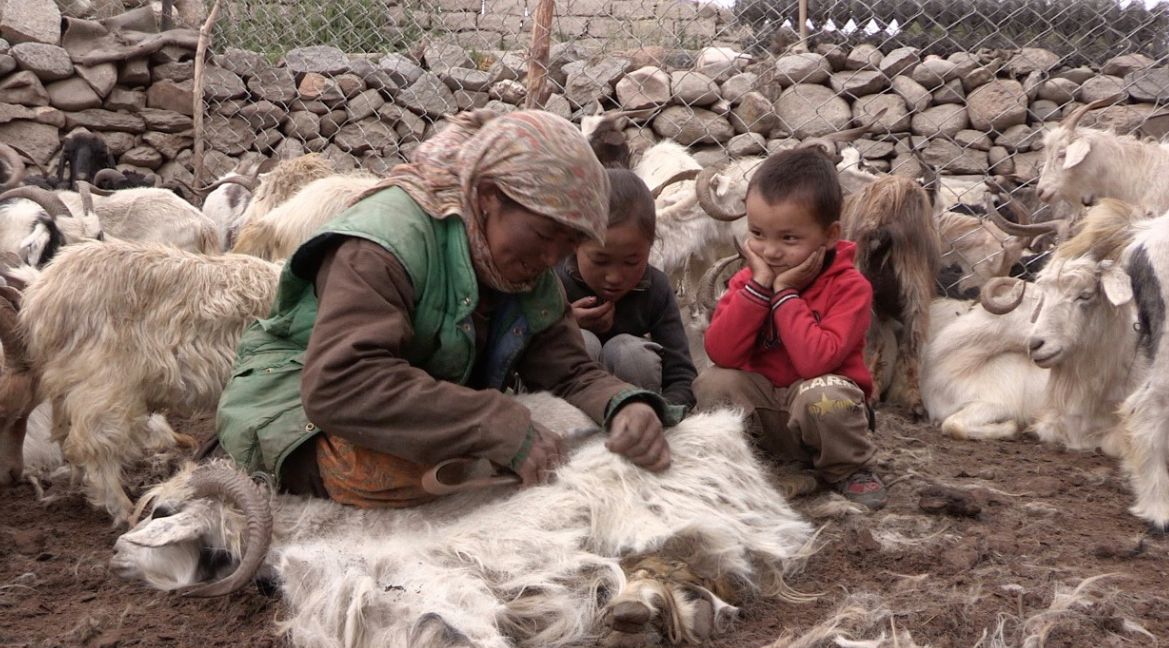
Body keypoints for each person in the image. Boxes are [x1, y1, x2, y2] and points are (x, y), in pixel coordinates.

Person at [215, 110, 682, 508]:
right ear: (487, 198)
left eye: (569, 245)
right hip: (296, 404)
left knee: (564, 439)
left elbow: (569, 369)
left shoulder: (522, 265)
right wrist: (494, 423)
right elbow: (341, 382)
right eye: (543, 237)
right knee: (407, 466)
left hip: (413, 397)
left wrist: (625, 404)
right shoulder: (384, 242)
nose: (550, 261)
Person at [692, 148, 886, 509]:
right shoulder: (749, 281)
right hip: (767, 410)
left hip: (822, 415)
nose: (770, 251)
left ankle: (848, 468)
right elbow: (721, 352)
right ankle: (752, 458)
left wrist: (783, 295)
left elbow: (816, 362)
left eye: (789, 239)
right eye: (758, 234)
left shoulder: (850, 287)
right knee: (712, 381)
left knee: (823, 394)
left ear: (830, 236)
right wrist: (758, 289)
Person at [557, 168, 698, 409]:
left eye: (632, 262)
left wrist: (661, 413)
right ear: (574, 243)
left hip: (636, 419)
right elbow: (517, 355)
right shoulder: (554, 280)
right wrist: (563, 323)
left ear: (651, 246)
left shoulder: (656, 288)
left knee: (630, 354)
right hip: (564, 415)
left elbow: (682, 377)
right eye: (600, 261)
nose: (614, 277)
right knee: (583, 342)